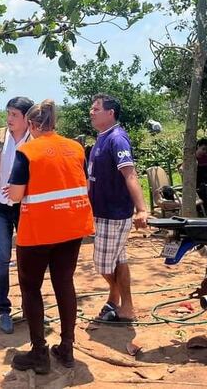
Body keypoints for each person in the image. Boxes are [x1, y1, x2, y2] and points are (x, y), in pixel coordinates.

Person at [6, 99, 94, 373]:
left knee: (31, 288)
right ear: (54, 123)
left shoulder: (28, 151)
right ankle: (66, 348)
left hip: (38, 231)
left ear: (31, 125)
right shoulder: (77, 148)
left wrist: (11, 192)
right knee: (64, 282)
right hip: (72, 227)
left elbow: (17, 194)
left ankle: (39, 353)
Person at [88, 94, 148, 323]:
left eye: (96, 109)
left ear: (110, 113)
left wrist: (142, 209)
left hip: (113, 213)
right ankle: (124, 305)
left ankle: (119, 299)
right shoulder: (101, 138)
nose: (91, 112)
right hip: (102, 211)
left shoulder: (117, 139)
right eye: (92, 109)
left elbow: (130, 174)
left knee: (102, 264)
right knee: (119, 260)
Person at [0, 96, 34, 334]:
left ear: (27, 119)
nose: (9, 119)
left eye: (14, 115)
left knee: (29, 258)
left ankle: (32, 307)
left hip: (27, 207)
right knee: (2, 258)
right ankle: (3, 309)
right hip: (0, 207)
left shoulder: (36, 140)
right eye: (8, 113)